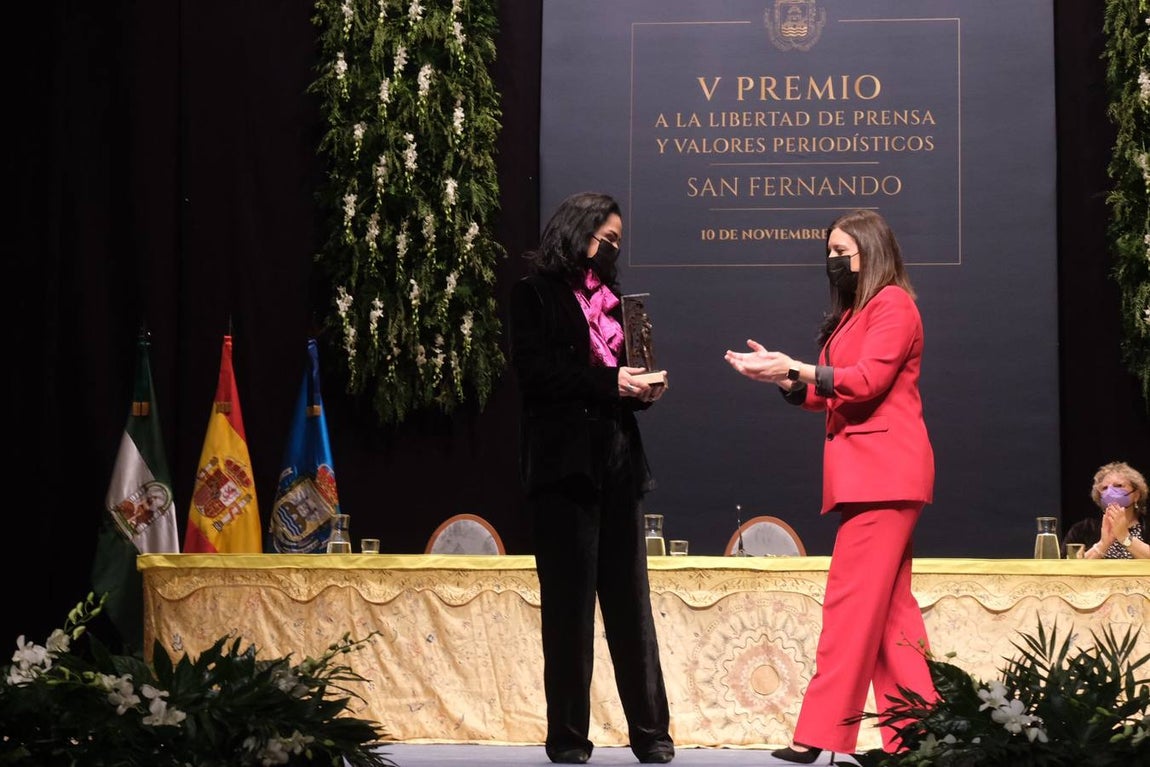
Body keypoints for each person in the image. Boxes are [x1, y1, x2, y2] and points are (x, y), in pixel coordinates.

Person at [724, 209, 937, 763]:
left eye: (842, 250)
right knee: (891, 617)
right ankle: (922, 737)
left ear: (870, 250)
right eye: (830, 251)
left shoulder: (893, 304)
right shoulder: (854, 313)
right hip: (872, 476)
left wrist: (800, 368)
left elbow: (867, 381)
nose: (832, 260)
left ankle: (817, 734)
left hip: (884, 475)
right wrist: (786, 378)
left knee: (848, 607)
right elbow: (826, 392)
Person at [508, 191, 674, 765]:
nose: (611, 252)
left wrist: (643, 389)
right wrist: (612, 384)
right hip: (563, 469)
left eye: (618, 245)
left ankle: (652, 735)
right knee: (569, 608)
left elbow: (625, 379)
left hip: (618, 462)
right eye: (606, 241)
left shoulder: (619, 303)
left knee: (631, 603)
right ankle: (570, 738)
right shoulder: (533, 295)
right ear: (578, 232)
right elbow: (539, 375)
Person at [1064, 461, 1149, 559]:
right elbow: (1068, 566)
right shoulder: (1083, 529)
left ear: (1136, 495)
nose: (1110, 492)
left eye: (1119, 486)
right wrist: (1103, 544)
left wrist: (1125, 537)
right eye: (1105, 488)